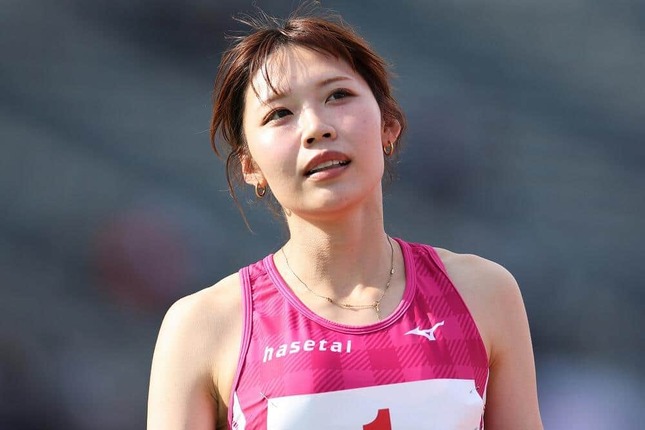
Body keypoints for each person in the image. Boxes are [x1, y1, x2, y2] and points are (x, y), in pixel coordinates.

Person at [147, 6, 543, 430]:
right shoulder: (206, 326)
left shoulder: (483, 293)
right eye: (279, 114)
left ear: (388, 124)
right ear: (250, 166)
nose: (316, 128)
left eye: (337, 95)